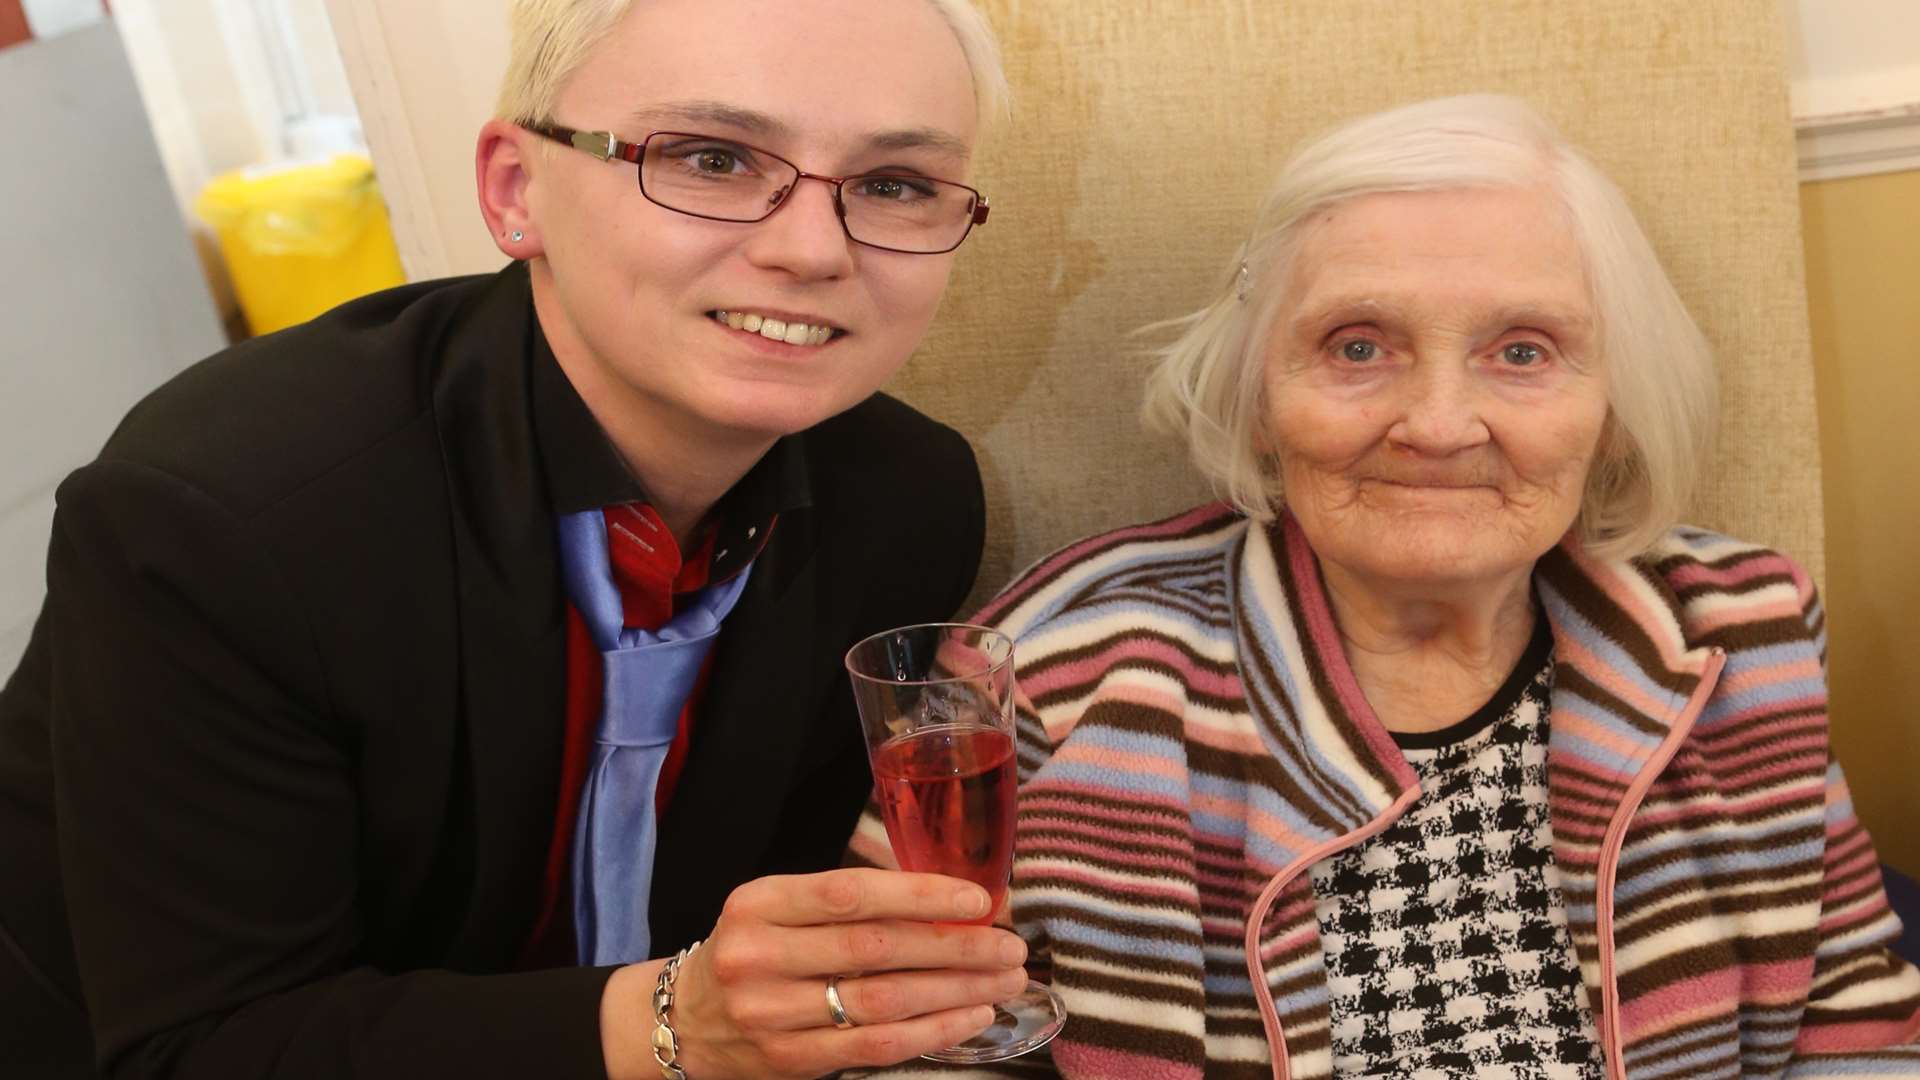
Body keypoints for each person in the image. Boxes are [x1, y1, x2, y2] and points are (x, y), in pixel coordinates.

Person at [0, 1, 1035, 1077]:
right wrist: (677, 1024)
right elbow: (201, 1049)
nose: (813, 249)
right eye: (712, 158)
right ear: (515, 189)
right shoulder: (223, 520)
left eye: (894, 185)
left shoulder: (911, 504)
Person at [854, 94, 1920, 1077]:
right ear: (1258, 394)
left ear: (1613, 405)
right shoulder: (1056, 669)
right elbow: (909, 1047)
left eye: (1524, 350)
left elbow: (1855, 1031)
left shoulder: (1742, 627)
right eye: (1358, 346)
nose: (1440, 425)